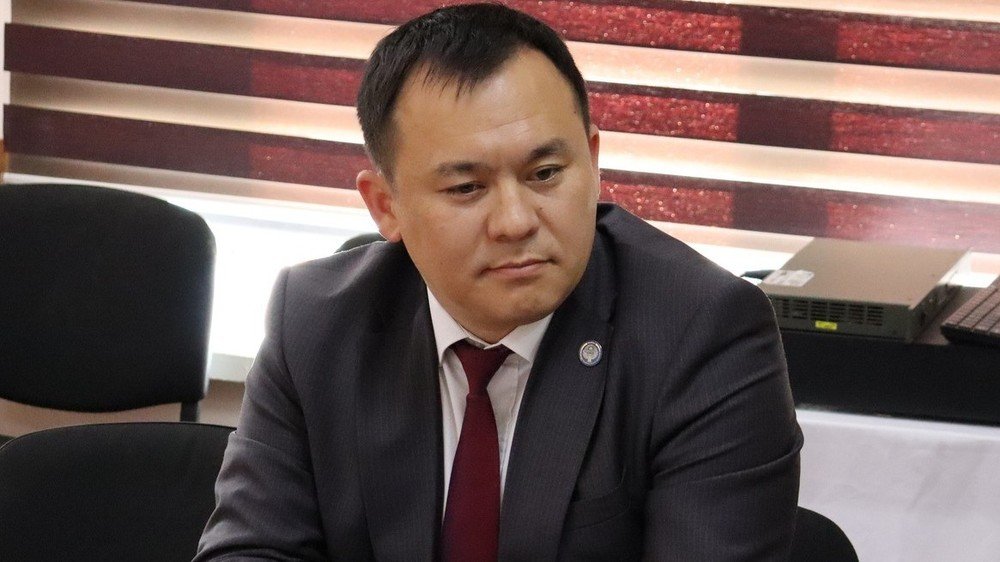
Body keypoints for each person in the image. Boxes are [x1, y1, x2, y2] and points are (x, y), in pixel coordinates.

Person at [195, 4, 802, 560]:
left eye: (545, 173)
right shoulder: (316, 322)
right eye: (467, 188)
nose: (516, 222)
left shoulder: (705, 334)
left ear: (592, 160)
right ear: (385, 205)